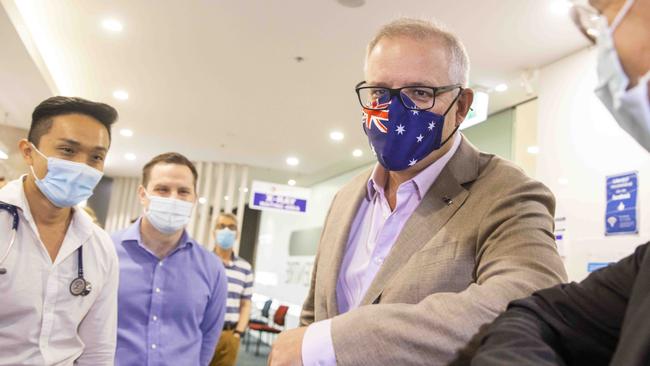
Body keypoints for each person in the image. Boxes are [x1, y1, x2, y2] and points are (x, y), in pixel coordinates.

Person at [268, 18, 568, 366]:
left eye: (420, 93)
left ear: (460, 106)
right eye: (380, 92)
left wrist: (335, 341)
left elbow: (530, 299)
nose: (394, 109)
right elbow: (314, 316)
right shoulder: (346, 198)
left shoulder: (507, 193)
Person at [472, 0, 650, 365]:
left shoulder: (509, 191)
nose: (605, 46)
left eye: (605, 15)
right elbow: (538, 316)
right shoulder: (643, 268)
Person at [0, 96, 119, 365]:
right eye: (67, 150)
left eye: (96, 157)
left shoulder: (99, 245)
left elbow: (98, 350)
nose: (82, 166)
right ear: (28, 151)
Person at [111, 152, 228, 366]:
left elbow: (209, 336)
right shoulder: (106, 251)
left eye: (183, 191)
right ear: (143, 194)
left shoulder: (212, 268)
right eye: (162, 189)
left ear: (194, 198)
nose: (173, 198)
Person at [209, 213, 254, 366]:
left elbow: (246, 304)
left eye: (231, 227)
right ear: (213, 231)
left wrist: (238, 333)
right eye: (221, 226)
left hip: (229, 335)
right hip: (202, 333)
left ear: (237, 234)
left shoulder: (245, 268)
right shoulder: (202, 262)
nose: (226, 230)